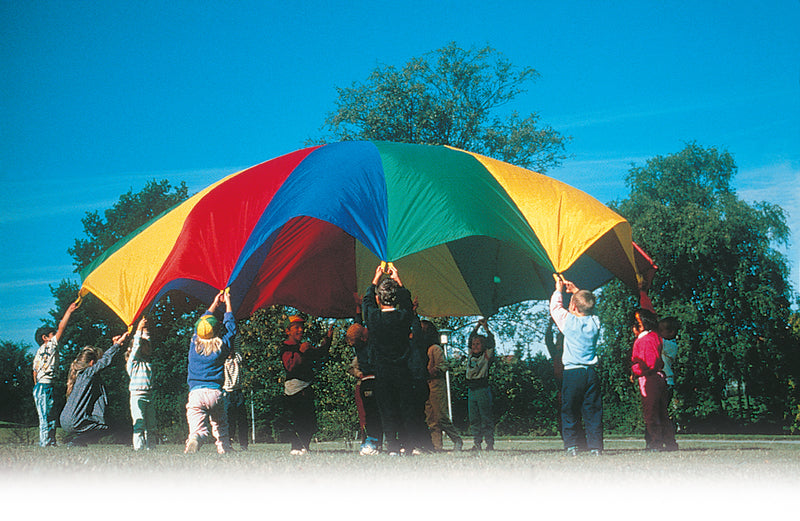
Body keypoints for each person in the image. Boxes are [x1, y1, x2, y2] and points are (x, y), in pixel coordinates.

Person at [362, 263, 415, 456]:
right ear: (396, 298)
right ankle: (406, 445)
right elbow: (408, 303)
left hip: (382, 372)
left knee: (387, 410)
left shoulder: (373, 318)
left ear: (378, 298)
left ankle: (392, 446)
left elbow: (366, 302)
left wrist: (375, 278)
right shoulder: (403, 317)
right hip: (403, 370)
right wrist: (398, 280)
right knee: (406, 408)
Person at [549, 277, 603, 456]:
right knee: (593, 410)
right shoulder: (595, 323)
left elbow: (555, 308)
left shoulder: (568, 322)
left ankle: (572, 445)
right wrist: (576, 292)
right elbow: (589, 308)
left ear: (572, 308)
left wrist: (559, 290)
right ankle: (596, 447)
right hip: (591, 373)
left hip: (573, 373)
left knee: (569, 409)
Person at [185, 290, 237, 454]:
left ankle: (196, 438)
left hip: (196, 394)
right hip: (215, 392)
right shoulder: (221, 346)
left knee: (197, 428)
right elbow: (231, 329)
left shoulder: (194, 344)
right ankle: (224, 448)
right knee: (220, 424)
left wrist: (214, 303)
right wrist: (228, 303)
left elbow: (202, 321)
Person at [60, 330, 130, 446]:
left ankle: (75, 441)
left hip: (64, 420)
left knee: (101, 425)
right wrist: (117, 345)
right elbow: (105, 361)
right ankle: (77, 441)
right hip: (75, 421)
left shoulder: (78, 376)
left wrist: (114, 346)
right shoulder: (88, 374)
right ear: (92, 363)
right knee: (106, 427)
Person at [280, 315, 333, 455]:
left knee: (309, 420)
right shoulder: (285, 347)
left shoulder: (304, 346)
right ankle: (296, 446)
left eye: (301, 327)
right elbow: (290, 366)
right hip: (294, 390)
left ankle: (305, 446)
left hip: (306, 387)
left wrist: (328, 339)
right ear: (288, 331)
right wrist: (300, 352)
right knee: (297, 419)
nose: (300, 330)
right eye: (296, 327)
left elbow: (320, 353)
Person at [32, 301, 79, 447]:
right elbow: (61, 328)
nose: (56, 337)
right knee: (46, 416)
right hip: (44, 386)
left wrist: (37, 387)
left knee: (50, 415)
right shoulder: (49, 346)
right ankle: (45, 443)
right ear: (45, 338)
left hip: (43, 386)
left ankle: (50, 442)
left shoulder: (38, 353)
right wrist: (69, 312)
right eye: (52, 335)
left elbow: (34, 372)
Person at [631, 309, 678, 452]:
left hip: (649, 378)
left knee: (651, 412)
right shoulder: (656, 338)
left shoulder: (646, 340)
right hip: (660, 378)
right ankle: (669, 442)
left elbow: (649, 363)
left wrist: (636, 370)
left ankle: (655, 442)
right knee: (662, 412)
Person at [423, 320, 463, 452]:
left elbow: (444, 365)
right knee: (430, 418)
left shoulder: (435, 348)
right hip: (426, 386)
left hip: (436, 385)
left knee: (441, 415)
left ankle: (456, 439)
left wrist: (434, 370)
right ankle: (437, 446)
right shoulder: (422, 349)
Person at [346, 322, 383, 455]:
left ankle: (373, 441)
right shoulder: (370, 345)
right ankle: (375, 442)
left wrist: (358, 310)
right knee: (377, 414)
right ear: (364, 338)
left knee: (370, 415)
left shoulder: (359, 346)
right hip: (373, 380)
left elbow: (359, 324)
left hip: (365, 383)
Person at [465, 317, 495, 451]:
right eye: (473, 344)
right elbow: (470, 337)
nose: (475, 346)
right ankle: (477, 443)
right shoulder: (471, 354)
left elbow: (491, 341)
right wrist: (477, 325)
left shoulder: (486, 355)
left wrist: (486, 327)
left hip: (482, 389)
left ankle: (489, 443)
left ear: (483, 346)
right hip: (472, 390)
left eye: (478, 344)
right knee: (474, 418)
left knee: (485, 417)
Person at [126, 317, 155, 450]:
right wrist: (138, 328)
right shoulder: (133, 363)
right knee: (139, 423)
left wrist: (145, 327)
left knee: (151, 425)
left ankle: (151, 448)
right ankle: (139, 449)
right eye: (146, 347)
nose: (149, 348)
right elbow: (138, 344)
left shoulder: (147, 361)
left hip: (149, 395)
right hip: (137, 396)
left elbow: (145, 340)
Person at [224, 336, 248, 451]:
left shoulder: (237, 359)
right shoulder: (222, 362)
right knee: (229, 420)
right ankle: (228, 442)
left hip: (238, 393)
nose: (231, 352)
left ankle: (244, 445)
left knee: (242, 419)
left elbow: (237, 345)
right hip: (226, 393)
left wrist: (235, 333)